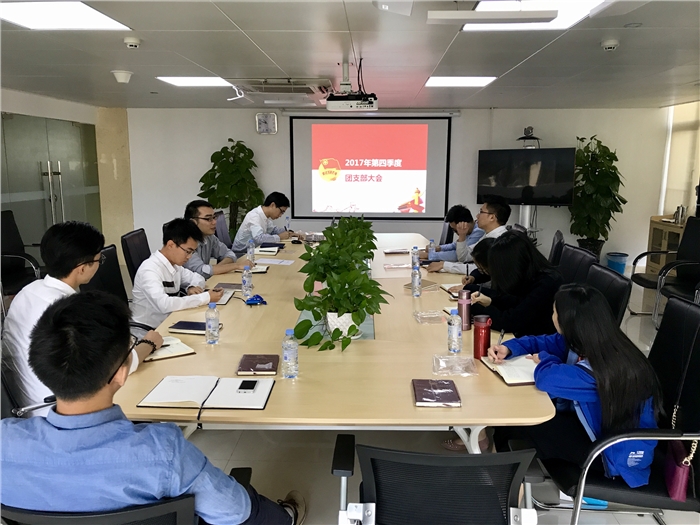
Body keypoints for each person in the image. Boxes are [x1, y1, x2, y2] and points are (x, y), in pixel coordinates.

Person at [0, 291, 306, 524]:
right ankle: (288, 517)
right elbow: (234, 512)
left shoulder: (5, 441)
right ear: (121, 373)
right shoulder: (162, 450)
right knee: (250, 506)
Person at [489, 284, 661, 488]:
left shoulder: (604, 369)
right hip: (596, 428)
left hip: (611, 451)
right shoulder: (591, 341)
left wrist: (546, 358)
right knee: (516, 421)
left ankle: (502, 486)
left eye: (554, 312)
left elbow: (547, 379)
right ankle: (502, 473)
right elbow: (541, 341)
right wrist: (509, 348)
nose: (552, 316)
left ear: (566, 321)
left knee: (520, 427)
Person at [1, 221, 162, 416]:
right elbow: (120, 366)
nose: (99, 264)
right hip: (59, 408)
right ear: (83, 268)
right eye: (99, 259)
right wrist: (149, 343)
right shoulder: (72, 310)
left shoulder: (27, 291)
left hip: (25, 402)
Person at [131, 218, 224, 333]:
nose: (189, 257)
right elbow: (164, 305)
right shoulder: (149, 270)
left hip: (171, 322)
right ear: (171, 245)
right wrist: (205, 297)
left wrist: (191, 287)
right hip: (148, 332)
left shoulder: (175, 266)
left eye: (192, 252)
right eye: (188, 251)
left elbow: (198, 278)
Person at [470, 230, 562, 337]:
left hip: (537, 341)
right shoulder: (532, 274)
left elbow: (510, 321)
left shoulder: (546, 283)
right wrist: (491, 301)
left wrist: (476, 309)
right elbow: (518, 302)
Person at [429, 196, 510, 274]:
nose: (477, 216)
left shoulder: (499, 239)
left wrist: (444, 265)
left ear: (492, 217)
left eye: (481, 212)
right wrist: (462, 235)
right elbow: (464, 257)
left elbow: (479, 269)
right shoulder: (487, 235)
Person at [183, 199, 252, 278]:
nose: (214, 222)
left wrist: (219, 268)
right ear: (193, 222)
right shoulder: (184, 241)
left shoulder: (209, 237)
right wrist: (236, 266)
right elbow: (201, 271)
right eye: (208, 219)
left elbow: (229, 254)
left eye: (214, 217)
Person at [232, 192, 302, 252]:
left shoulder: (265, 216)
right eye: (281, 211)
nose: (280, 215)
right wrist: (279, 237)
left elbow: (273, 230)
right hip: (242, 254)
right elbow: (259, 238)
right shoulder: (254, 216)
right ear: (273, 205)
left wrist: (289, 233)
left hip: (255, 250)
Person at [419, 205, 484, 262]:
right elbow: (455, 246)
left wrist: (429, 255)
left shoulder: (479, 232)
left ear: (464, 224)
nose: (456, 233)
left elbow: (458, 255)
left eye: (455, 230)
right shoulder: (470, 231)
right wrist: (439, 248)